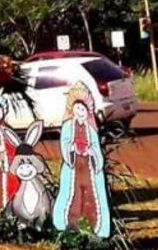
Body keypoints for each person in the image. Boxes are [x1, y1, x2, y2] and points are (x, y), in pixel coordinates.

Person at [53, 82, 111, 238]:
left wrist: (91, 152)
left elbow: (96, 150)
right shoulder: (68, 127)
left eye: (83, 109)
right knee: (74, 195)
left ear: (88, 111)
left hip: (89, 169)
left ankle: (94, 227)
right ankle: (69, 226)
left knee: (91, 196)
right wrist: (71, 149)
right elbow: (65, 143)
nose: (80, 112)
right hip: (74, 168)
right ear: (72, 110)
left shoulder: (91, 130)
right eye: (77, 108)